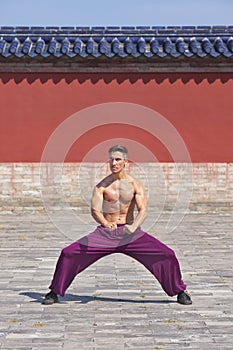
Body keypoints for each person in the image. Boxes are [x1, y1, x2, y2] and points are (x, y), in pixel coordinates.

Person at [43, 145, 192, 305]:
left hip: (130, 233)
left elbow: (143, 210)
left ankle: (180, 291)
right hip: (106, 233)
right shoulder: (102, 186)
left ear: (125, 162)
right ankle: (54, 292)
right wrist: (105, 223)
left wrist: (134, 226)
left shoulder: (135, 185)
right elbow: (95, 210)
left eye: (118, 159)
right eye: (111, 159)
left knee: (167, 254)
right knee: (68, 253)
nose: (114, 163)